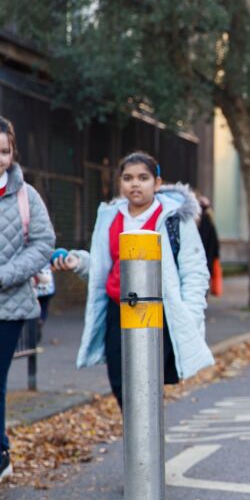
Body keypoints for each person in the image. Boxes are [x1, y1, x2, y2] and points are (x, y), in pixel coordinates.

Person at [52, 151, 214, 411]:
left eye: (143, 177)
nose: (135, 184)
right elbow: (106, 266)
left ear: (157, 183)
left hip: (158, 312)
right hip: (119, 310)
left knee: (147, 384)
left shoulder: (174, 219)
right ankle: (140, 442)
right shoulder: (110, 217)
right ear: (120, 183)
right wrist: (79, 263)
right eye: (127, 178)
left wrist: (191, 315)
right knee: (120, 381)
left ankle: (148, 446)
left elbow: (194, 272)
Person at [0, 117, 56, 481]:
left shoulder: (26, 196)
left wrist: (5, 275)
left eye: (4, 151)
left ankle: (1, 455)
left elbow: (43, 243)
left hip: (9, 306)